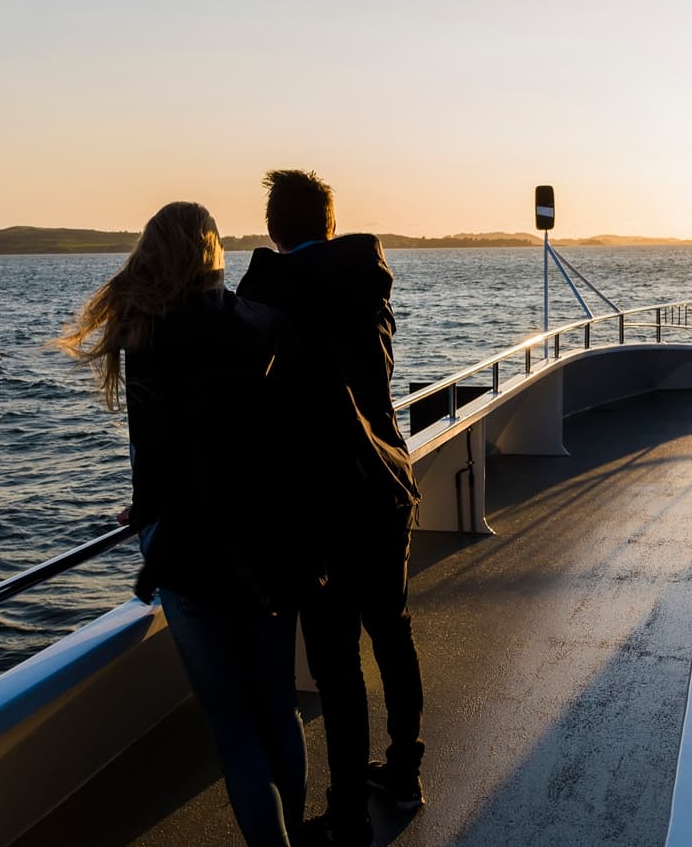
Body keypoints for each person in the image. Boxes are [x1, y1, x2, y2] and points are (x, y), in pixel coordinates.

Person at [58, 201, 320, 847]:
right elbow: (284, 438)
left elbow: (161, 450)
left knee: (233, 730)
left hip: (187, 553)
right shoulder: (265, 324)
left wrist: (147, 507)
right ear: (211, 252)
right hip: (268, 548)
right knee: (278, 709)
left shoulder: (143, 336)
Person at [236, 170, 425, 846]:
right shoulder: (368, 279)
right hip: (386, 483)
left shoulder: (267, 297)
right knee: (393, 632)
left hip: (318, 506)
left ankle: (348, 812)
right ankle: (403, 771)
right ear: (330, 221)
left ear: (274, 228)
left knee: (338, 665)